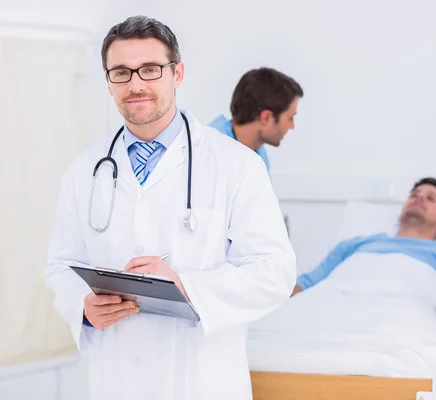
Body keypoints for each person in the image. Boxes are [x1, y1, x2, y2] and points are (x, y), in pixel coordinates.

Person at [44, 16, 296, 400]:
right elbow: (61, 265)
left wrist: (187, 287)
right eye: (121, 73)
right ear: (108, 82)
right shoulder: (83, 171)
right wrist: (83, 308)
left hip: (201, 380)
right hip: (117, 380)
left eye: (150, 69)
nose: (136, 85)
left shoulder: (237, 165)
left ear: (177, 73)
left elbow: (274, 272)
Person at [292, 177, 436, 332]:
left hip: (401, 314)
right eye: (414, 195)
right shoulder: (354, 244)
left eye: (430, 198)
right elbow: (307, 284)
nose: (419, 199)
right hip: (328, 309)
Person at [208, 67, 303, 174]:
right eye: (290, 118)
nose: (292, 126)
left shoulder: (259, 155)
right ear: (266, 117)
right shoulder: (209, 148)